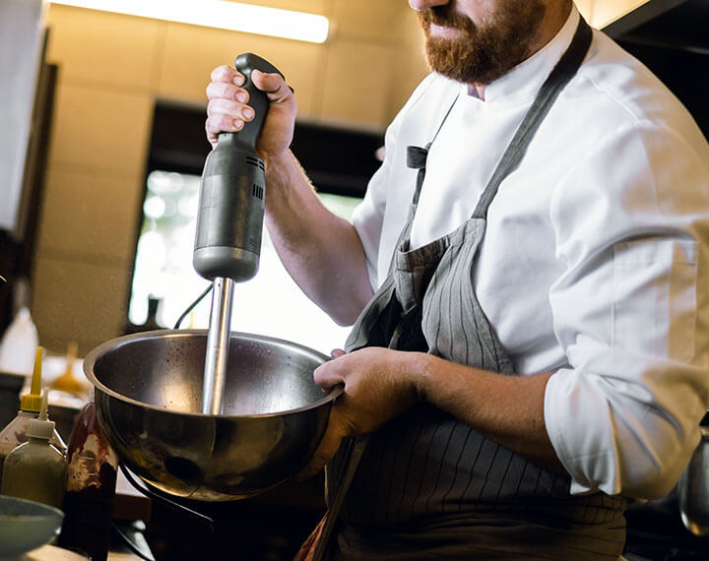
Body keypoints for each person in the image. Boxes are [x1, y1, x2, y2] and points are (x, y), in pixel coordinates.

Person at [205, 0, 709, 559]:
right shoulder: (439, 97)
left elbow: (642, 439)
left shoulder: (631, 138)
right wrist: (272, 164)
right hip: (365, 534)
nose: (424, 2)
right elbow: (354, 286)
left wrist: (419, 378)